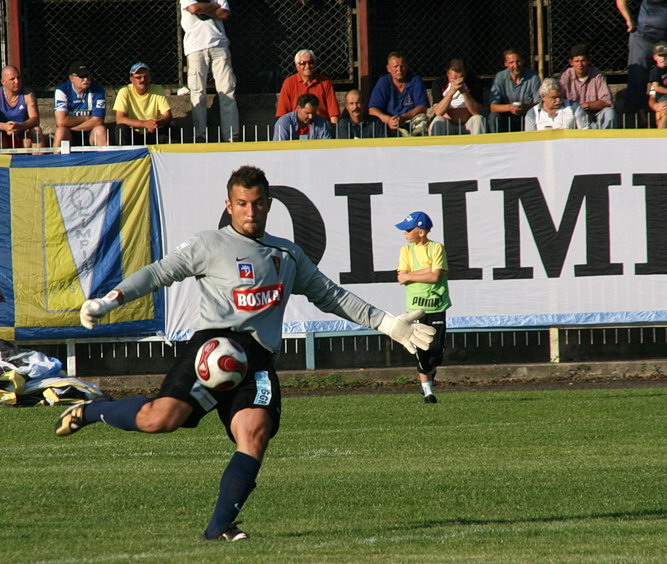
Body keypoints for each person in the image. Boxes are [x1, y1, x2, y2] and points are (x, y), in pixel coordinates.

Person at [56, 165, 435, 541]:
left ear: (268, 204)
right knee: (160, 419)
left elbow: (331, 296)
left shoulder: (287, 255)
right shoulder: (208, 244)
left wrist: (387, 324)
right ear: (229, 204)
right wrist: (110, 301)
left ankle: (219, 526)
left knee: (254, 433)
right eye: (242, 203)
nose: (250, 211)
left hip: (256, 359)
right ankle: (93, 410)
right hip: (209, 349)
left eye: (257, 204)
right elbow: (159, 273)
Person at [394, 211, 450, 404]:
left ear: (420, 231)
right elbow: (401, 277)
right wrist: (425, 271)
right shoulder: (406, 251)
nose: (405, 233)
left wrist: (411, 274)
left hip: (436, 306)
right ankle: (428, 392)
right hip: (415, 309)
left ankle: (430, 374)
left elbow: (435, 277)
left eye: (408, 230)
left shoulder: (436, 248)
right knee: (420, 349)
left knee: (436, 350)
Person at [180, 0, 240, 142]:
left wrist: (204, 9)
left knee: (227, 90)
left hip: (219, 44)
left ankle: (232, 136)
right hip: (195, 47)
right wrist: (214, 6)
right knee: (198, 92)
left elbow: (224, 13)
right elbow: (194, 8)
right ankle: (200, 135)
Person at [617, 0, 667, 120]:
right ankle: (633, 119)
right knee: (637, 76)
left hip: (665, 38)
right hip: (643, 37)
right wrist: (629, 20)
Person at [368, 51, 429, 137]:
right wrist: (388, 119)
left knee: (422, 120)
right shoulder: (383, 82)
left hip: (410, 120)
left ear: (407, 67)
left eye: (402, 66)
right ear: (388, 69)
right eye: (395, 67)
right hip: (390, 122)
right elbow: (372, 110)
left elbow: (422, 107)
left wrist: (404, 117)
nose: (399, 70)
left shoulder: (415, 80)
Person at [0, 65, 43, 150]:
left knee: (37, 130)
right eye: (12, 79)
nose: (17, 81)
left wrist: (20, 126)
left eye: (18, 78)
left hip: (23, 136)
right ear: (3, 81)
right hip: (3, 136)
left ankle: (38, 161)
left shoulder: (28, 94)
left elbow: (35, 119)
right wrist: (5, 127)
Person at [557, 44, 617, 129]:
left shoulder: (597, 75)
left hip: (596, 114)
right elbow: (560, 101)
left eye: (583, 61)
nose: (580, 64)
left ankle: (608, 140)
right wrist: (578, 109)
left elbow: (607, 102)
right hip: (575, 116)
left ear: (589, 60)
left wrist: (586, 105)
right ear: (571, 62)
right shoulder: (565, 77)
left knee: (610, 113)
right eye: (577, 61)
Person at [113, 62, 173, 145]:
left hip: (152, 131)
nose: (143, 80)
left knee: (171, 126)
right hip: (133, 133)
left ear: (150, 78)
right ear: (131, 79)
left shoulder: (157, 89)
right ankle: (125, 157)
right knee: (121, 129)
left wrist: (157, 123)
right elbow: (120, 119)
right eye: (138, 77)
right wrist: (144, 124)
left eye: (146, 77)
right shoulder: (124, 91)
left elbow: (168, 115)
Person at [275, 50, 340, 125]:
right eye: (303, 63)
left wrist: (334, 132)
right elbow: (282, 114)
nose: (307, 66)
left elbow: (333, 113)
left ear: (315, 64)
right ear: (297, 66)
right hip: (296, 127)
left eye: (311, 62)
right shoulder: (289, 83)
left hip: (321, 126)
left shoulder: (325, 83)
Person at [52, 61, 107, 148]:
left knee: (100, 129)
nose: (86, 79)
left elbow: (98, 120)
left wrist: (73, 127)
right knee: (61, 131)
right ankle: (56, 160)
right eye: (82, 76)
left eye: (88, 75)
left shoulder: (98, 90)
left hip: (89, 131)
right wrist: (86, 118)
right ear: (71, 78)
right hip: (69, 133)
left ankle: (104, 160)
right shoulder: (62, 90)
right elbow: (61, 121)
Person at [428, 59, 486, 135]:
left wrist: (463, 91)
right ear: (448, 72)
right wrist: (451, 92)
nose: (455, 75)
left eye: (459, 71)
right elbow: (438, 112)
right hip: (448, 124)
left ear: (464, 72)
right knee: (437, 120)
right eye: (453, 70)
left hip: (467, 123)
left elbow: (476, 111)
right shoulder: (439, 83)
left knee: (478, 119)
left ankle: (479, 146)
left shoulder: (473, 83)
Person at [488, 49, 541, 133]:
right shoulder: (500, 77)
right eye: (511, 62)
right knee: (494, 116)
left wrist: (524, 107)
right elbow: (492, 107)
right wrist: (509, 107)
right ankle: (497, 143)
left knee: (535, 114)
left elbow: (540, 104)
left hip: (526, 116)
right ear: (506, 64)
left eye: (518, 61)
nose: (516, 65)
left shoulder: (533, 76)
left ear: (523, 61)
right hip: (506, 117)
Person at [525, 77, 590, 130]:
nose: (558, 100)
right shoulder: (533, 113)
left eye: (560, 96)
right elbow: (530, 138)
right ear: (543, 96)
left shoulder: (574, 107)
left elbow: (584, 130)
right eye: (554, 97)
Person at [648, 41, 667, 128]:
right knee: (664, 112)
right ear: (655, 57)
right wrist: (656, 105)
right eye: (661, 56)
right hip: (663, 101)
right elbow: (653, 96)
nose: (663, 59)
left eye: (665, 56)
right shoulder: (656, 73)